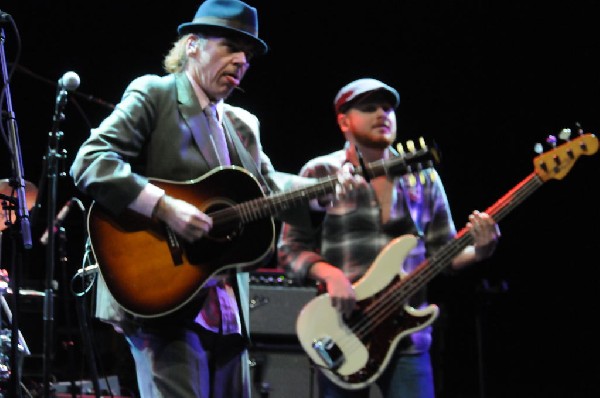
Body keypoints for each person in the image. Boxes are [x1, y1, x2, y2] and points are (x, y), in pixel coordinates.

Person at [69, 1, 351, 397]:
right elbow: (90, 162)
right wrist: (165, 207)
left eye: (247, 55)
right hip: (161, 296)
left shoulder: (242, 124)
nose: (240, 61)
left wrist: (323, 191)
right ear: (193, 45)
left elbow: (268, 188)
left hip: (225, 306)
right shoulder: (156, 93)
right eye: (230, 47)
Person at [277, 78, 502, 398]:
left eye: (387, 108)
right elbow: (289, 248)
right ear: (344, 121)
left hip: (407, 337)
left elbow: (445, 253)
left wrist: (481, 250)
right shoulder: (319, 172)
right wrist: (330, 275)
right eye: (369, 108)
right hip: (342, 330)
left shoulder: (423, 175)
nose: (382, 114)